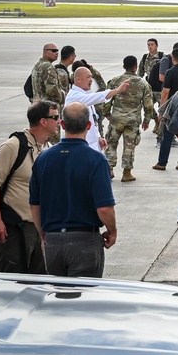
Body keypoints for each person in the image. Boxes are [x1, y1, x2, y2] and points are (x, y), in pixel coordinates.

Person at [29, 102, 117, 278]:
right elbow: (104, 208)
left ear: (62, 124)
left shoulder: (43, 158)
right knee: (82, 301)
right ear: (89, 125)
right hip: (84, 242)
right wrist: (112, 230)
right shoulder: (96, 160)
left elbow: (35, 205)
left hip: (53, 241)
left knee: (57, 299)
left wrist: (43, 235)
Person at [0, 100, 59, 274]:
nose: (59, 121)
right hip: (14, 229)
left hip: (40, 227)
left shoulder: (48, 148)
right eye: (55, 117)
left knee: (39, 281)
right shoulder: (13, 146)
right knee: (11, 280)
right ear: (43, 121)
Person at [103, 56, 155, 183]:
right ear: (136, 66)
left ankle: (109, 168)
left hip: (116, 119)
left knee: (111, 143)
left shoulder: (115, 81)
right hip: (133, 120)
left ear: (124, 66)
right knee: (129, 146)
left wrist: (107, 113)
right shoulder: (143, 84)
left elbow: (107, 98)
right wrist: (147, 120)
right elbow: (148, 105)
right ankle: (127, 173)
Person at [64, 66, 129, 157]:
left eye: (91, 77)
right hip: (81, 147)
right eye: (88, 77)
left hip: (91, 144)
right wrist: (117, 90)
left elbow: (93, 120)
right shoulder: (75, 96)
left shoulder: (85, 95)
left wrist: (98, 137)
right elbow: (99, 97)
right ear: (78, 80)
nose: (91, 80)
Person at [154, 41, 178, 145]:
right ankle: (160, 139)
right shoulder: (166, 60)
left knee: (172, 117)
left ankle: (171, 138)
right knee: (164, 116)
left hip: (175, 94)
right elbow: (161, 77)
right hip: (166, 92)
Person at [31, 43, 64, 144]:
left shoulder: (38, 65)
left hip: (37, 108)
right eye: (53, 51)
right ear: (45, 52)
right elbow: (52, 89)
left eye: (57, 51)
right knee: (53, 141)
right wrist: (62, 96)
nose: (56, 53)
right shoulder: (48, 67)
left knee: (40, 141)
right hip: (48, 110)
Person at [138, 38, 163, 133]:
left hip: (160, 88)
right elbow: (140, 73)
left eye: (152, 44)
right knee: (148, 107)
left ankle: (161, 127)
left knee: (163, 109)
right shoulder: (145, 58)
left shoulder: (162, 57)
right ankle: (156, 120)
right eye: (148, 44)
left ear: (157, 46)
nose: (150, 46)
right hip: (149, 88)